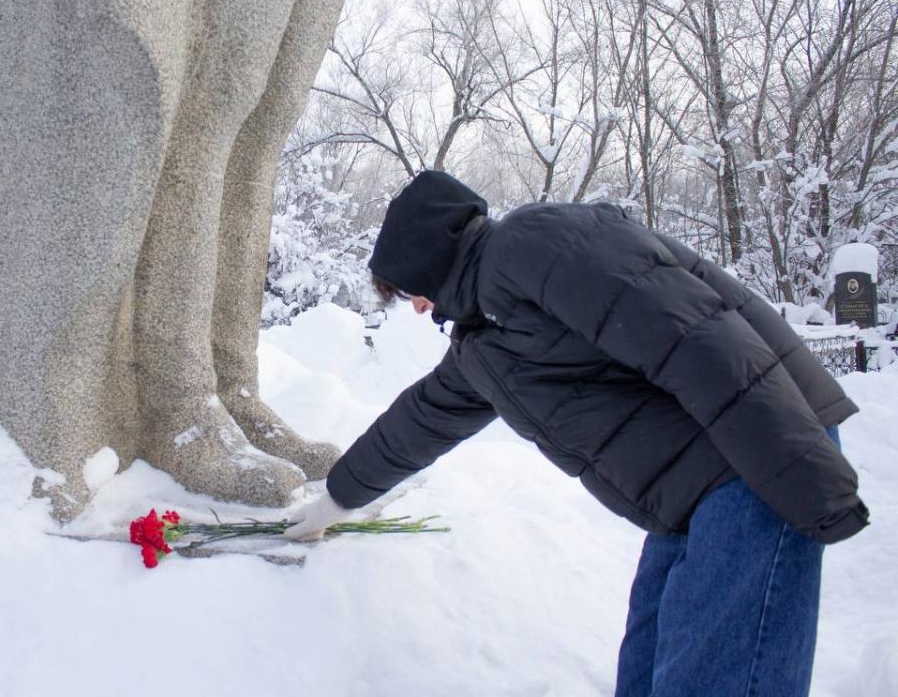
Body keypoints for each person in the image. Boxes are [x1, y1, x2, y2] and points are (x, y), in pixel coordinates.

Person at [283, 170, 869, 696]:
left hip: (755, 457)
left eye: (410, 290)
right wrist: (336, 499)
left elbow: (698, 339)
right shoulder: (484, 339)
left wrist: (801, 471)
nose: (416, 307)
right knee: (645, 678)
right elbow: (417, 422)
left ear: (428, 258)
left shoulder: (537, 244)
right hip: (691, 494)